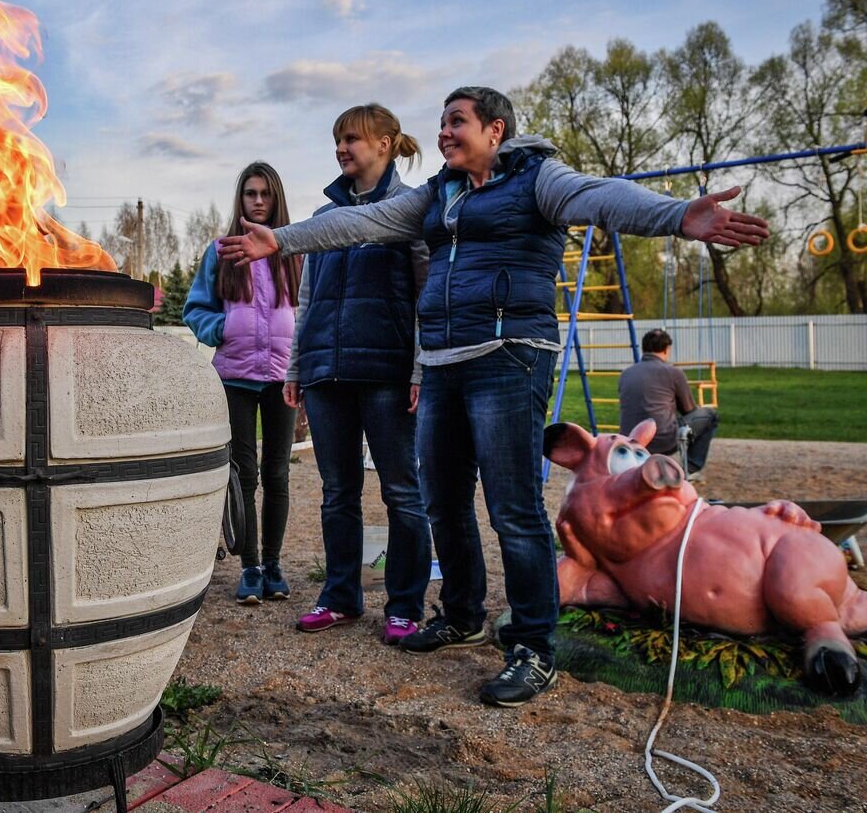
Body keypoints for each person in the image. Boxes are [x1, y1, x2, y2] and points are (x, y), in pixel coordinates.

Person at [218, 86, 768, 706]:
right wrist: (283, 240)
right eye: (444, 122)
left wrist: (676, 215)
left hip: (510, 357)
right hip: (446, 362)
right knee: (445, 501)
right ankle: (462, 615)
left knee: (513, 507)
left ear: (496, 130)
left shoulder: (537, 179)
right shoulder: (438, 195)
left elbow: (604, 196)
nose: (445, 134)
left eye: (458, 122)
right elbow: (362, 222)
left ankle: (533, 646)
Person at [285, 104, 432, 645]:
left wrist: (417, 367)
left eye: (352, 139)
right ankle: (340, 596)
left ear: (386, 144)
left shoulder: (408, 214)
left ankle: (404, 605)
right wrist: (298, 366)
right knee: (336, 492)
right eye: (338, 140)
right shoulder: (323, 219)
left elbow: (426, 297)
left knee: (401, 491)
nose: (342, 149)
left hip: (387, 373)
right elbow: (307, 299)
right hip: (325, 373)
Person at [184, 162, 301, 605]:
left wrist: (301, 364)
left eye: (265, 194)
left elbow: (307, 311)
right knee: (245, 474)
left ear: (276, 199)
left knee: (278, 473)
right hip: (234, 376)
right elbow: (195, 309)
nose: (257, 200)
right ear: (241, 198)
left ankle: (273, 565)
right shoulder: (222, 250)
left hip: (282, 377)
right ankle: (249, 567)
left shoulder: (293, 251)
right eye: (250, 193)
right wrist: (224, 328)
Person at [619, 328, 718, 479]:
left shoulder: (626, 374)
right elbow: (688, 409)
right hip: (662, 440)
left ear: (644, 349)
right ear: (666, 350)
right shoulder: (673, 372)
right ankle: (689, 468)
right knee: (710, 416)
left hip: (631, 440)